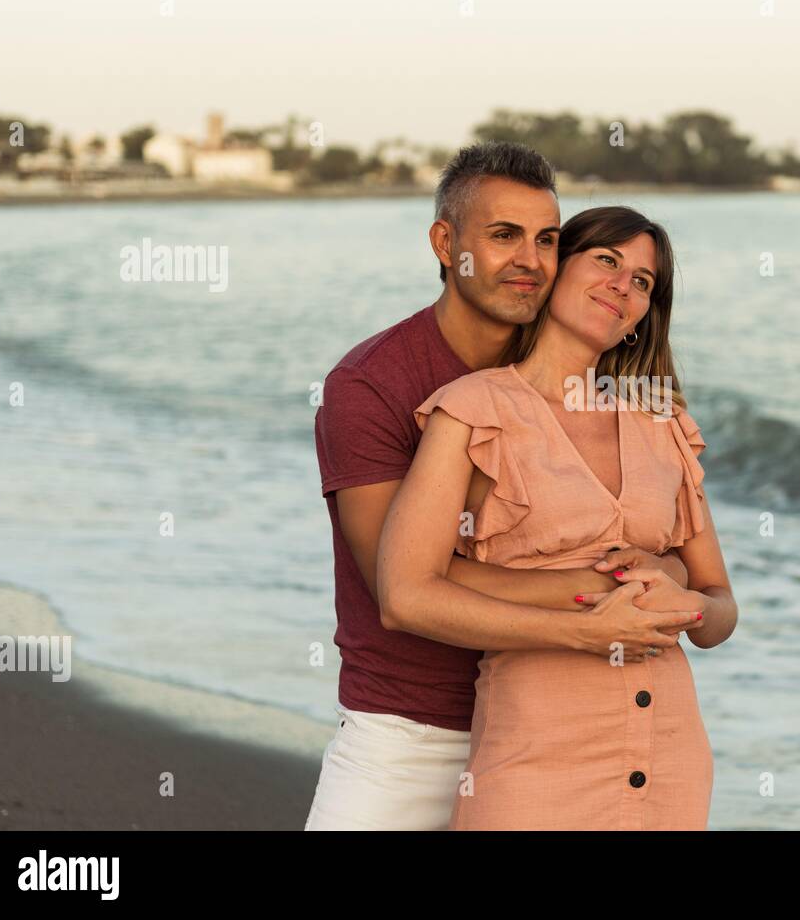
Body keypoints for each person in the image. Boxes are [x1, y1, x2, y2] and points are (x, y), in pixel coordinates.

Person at [304, 145, 694, 830]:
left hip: (551, 728)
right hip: (414, 731)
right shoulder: (369, 386)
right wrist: (603, 591)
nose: (530, 260)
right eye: (504, 235)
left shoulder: (572, 379)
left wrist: (658, 571)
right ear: (445, 242)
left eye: (547, 239)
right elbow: (403, 587)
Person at [378, 205, 738, 830]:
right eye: (606, 261)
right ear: (554, 272)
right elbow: (405, 596)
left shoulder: (664, 422)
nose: (623, 286)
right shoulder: (473, 410)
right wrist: (586, 628)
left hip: (670, 757)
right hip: (534, 757)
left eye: (644, 282)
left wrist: (678, 590)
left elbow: (719, 611)